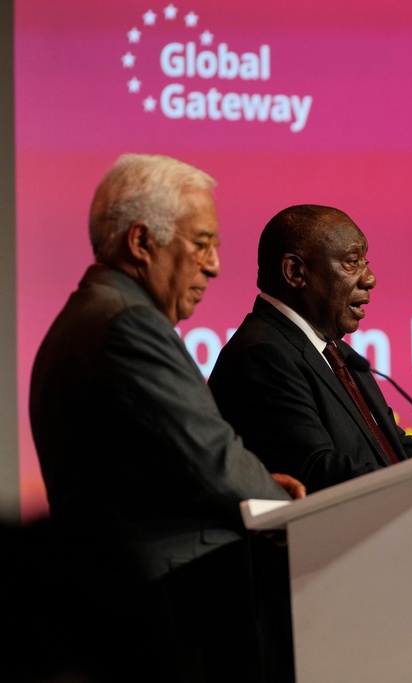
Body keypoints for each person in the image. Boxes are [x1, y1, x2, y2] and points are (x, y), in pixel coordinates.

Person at [28, 153, 305, 683]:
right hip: (174, 602)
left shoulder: (91, 316)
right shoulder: (127, 324)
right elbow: (210, 456)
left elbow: (161, 458)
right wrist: (282, 507)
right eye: (201, 242)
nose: (215, 265)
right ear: (141, 242)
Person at [208, 204, 412, 494]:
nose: (370, 279)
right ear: (295, 272)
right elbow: (315, 472)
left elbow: (392, 447)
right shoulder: (263, 355)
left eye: (366, 262)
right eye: (352, 262)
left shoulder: (337, 354)